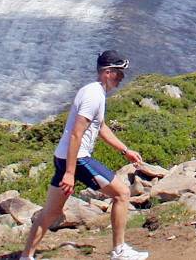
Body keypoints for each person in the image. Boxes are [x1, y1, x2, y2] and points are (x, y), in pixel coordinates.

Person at [20, 51, 148, 260]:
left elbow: (101, 127)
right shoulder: (94, 96)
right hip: (77, 159)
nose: (122, 79)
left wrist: (125, 151)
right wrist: (70, 173)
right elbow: (76, 134)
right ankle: (119, 251)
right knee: (122, 194)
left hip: (62, 157)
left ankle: (26, 257)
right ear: (107, 72)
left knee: (51, 212)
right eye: (119, 74)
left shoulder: (93, 91)